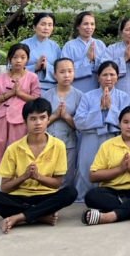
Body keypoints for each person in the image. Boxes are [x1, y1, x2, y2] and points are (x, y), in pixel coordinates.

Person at [0, 98, 78, 234]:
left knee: (71, 192)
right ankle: (40, 216)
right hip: (19, 196)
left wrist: (38, 177)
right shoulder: (13, 148)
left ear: (48, 120)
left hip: (46, 196)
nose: (38, 123)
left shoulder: (58, 145)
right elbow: (5, 188)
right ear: (25, 122)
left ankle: (19, 217)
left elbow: (56, 184)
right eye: (33, 119)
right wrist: (24, 177)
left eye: (42, 118)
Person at [0, 43, 41, 188]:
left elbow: (37, 98)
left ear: (27, 60)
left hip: (21, 120)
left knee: (19, 152)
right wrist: (9, 94)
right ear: (9, 59)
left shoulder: (32, 77)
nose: (18, 60)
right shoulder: (1, 78)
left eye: (22, 57)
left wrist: (20, 93)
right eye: (15, 57)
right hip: (2, 119)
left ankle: (16, 185)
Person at [74, 61, 130, 201]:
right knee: (88, 165)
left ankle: (110, 197)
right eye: (105, 74)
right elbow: (78, 121)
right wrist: (98, 108)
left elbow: (128, 122)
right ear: (98, 77)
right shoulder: (88, 96)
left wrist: (111, 108)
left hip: (114, 137)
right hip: (91, 137)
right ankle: (85, 196)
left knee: (112, 166)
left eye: (112, 74)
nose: (108, 78)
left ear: (118, 77)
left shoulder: (124, 97)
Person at [42, 57, 83, 189]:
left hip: (69, 142)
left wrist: (66, 116)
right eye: (62, 72)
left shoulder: (80, 96)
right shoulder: (46, 95)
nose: (67, 75)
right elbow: (39, 123)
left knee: (66, 176)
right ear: (55, 74)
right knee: (47, 173)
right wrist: (55, 116)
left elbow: (81, 126)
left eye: (70, 71)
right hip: (48, 141)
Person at [60, 12, 107, 94]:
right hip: (75, 89)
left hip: (96, 88)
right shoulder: (69, 46)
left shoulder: (100, 45)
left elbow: (106, 68)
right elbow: (65, 70)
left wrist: (95, 60)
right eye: (85, 24)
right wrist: (87, 60)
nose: (89, 27)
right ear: (78, 26)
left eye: (92, 24)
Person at [21, 13, 60, 91]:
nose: (46, 28)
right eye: (43, 24)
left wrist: (47, 67)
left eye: (50, 25)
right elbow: (13, 68)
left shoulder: (55, 47)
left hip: (51, 89)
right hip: (27, 87)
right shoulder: (23, 45)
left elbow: (60, 69)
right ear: (34, 27)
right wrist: (35, 67)